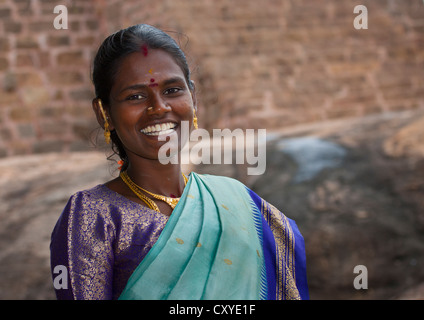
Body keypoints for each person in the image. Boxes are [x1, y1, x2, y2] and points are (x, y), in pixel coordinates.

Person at [50, 24, 309, 300]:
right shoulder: (95, 217)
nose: (159, 107)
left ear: (193, 97)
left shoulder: (240, 202)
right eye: (135, 96)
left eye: (172, 90)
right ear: (104, 114)